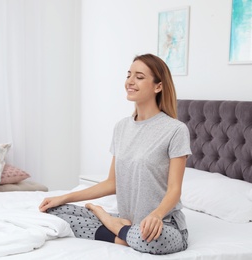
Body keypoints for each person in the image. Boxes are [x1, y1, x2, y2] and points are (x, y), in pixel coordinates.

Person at [39, 53, 191, 255]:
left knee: (155, 242)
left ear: (158, 86)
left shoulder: (175, 130)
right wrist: (64, 197)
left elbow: (174, 190)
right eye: (129, 75)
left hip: (161, 224)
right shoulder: (121, 127)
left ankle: (109, 222)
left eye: (139, 76)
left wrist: (156, 215)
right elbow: (113, 183)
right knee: (53, 212)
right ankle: (124, 232)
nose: (130, 81)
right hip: (130, 222)